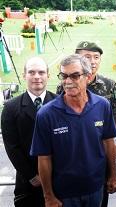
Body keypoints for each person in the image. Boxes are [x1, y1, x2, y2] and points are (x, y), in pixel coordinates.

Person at [30, 54, 116, 207]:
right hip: (64, 194)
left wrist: (113, 175)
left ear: (88, 77)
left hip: (96, 188)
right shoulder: (46, 114)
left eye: (75, 76)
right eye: (63, 76)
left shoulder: (103, 105)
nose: (68, 81)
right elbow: (44, 158)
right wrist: (48, 196)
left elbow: (108, 142)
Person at [57, 41, 116, 206]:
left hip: (101, 149)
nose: (93, 61)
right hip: (73, 152)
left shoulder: (109, 84)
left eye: (96, 57)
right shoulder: (65, 84)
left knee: (101, 192)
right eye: (87, 57)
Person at [1, 57, 57, 207]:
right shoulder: (11, 108)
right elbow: (12, 147)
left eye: (41, 72)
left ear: (48, 75)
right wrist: (32, 176)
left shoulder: (60, 103)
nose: (37, 76)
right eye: (31, 72)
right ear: (24, 75)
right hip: (28, 184)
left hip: (58, 179)